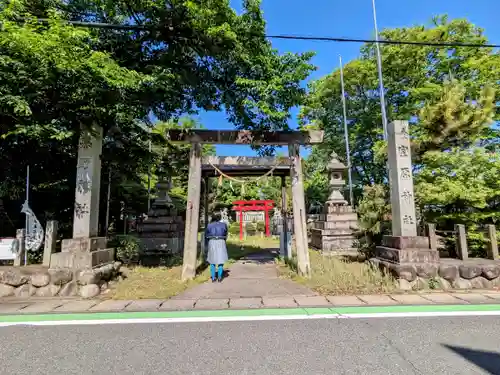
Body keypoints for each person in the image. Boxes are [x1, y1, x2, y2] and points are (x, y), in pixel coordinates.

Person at [205, 212, 229, 282]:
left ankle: (213, 277)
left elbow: (206, 235)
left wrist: (207, 244)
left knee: (212, 260)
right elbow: (226, 234)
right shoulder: (224, 225)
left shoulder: (209, 225)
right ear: (220, 218)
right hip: (221, 241)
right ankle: (219, 277)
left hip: (212, 241)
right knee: (220, 259)